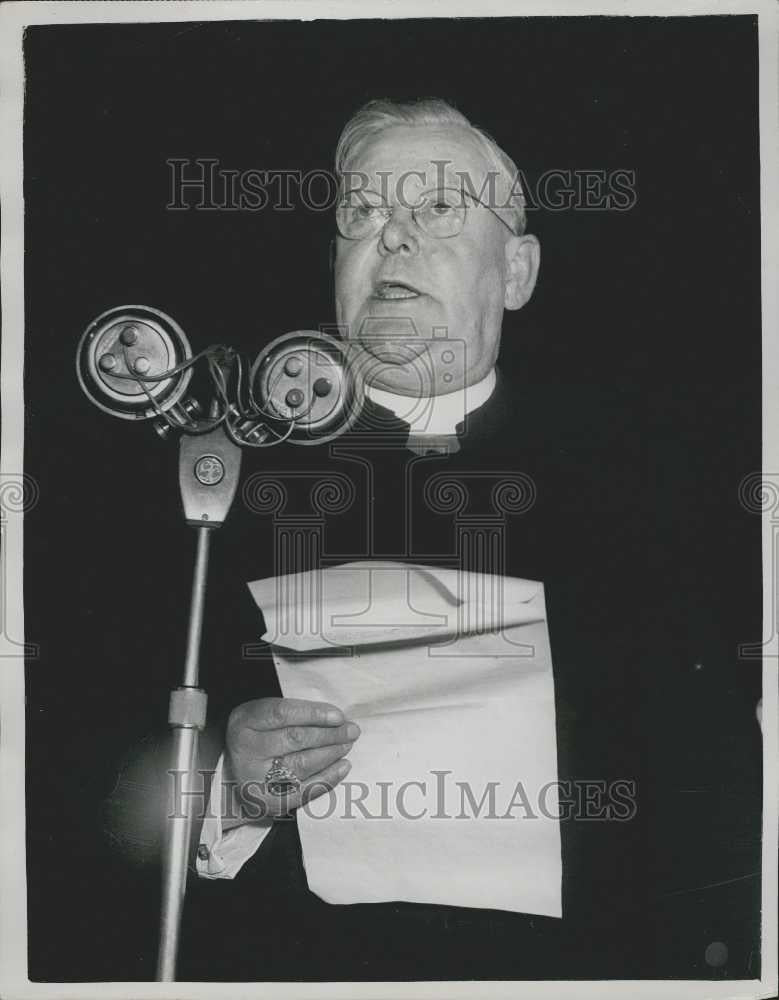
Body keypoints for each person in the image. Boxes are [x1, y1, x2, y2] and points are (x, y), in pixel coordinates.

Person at [103, 98, 762, 982]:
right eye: (361, 215)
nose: (393, 239)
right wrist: (230, 790)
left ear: (516, 270)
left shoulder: (643, 491)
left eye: (438, 209)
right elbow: (95, 799)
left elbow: (711, 810)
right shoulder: (218, 481)